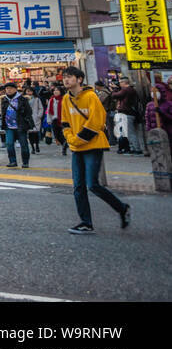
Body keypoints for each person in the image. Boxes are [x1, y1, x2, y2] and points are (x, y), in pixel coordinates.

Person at [59, 66, 131, 235]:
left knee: (92, 184)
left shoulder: (91, 96)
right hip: (76, 147)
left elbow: (97, 121)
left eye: (69, 77)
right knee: (78, 186)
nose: (66, 80)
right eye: (64, 77)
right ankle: (85, 222)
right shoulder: (66, 99)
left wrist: (78, 139)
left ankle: (122, 208)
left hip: (93, 145)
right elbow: (65, 123)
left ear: (79, 79)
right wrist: (70, 139)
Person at [1, 81, 33, 169]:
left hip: (20, 126)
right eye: (7, 89)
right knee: (9, 144)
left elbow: (29, 112)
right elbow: (3, 112)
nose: (8, 90)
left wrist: (26, 122)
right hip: (9, 126)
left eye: (10, 88)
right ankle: (12, 161)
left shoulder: (22, 99)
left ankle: (25, 162)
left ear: (15, 89)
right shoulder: (4, 100)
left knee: (24, 145)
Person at [112, 76, 142, 155]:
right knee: (131, 132)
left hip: (127, 113)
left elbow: (115, 95)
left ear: (125, 83)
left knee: (130, 132)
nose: (120, 84)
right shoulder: (131, 90)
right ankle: (134, 148)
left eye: (121, 82)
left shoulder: (126, 90)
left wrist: (114, 89)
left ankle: (137, 149)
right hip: (130, 113)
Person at [46, 85, 67, 155]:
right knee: (56, 135)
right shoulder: (51, 100)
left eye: (57, 90)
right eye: (54, 90)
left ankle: (64, 147)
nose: (55, 91)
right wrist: (48, 119)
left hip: (63, 119)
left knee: (63, 134)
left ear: (61, 92)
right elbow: (49, 110)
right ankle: (64, 144)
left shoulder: (64, 99)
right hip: (54, 119)